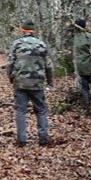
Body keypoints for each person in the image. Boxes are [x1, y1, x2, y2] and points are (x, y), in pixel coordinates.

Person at [7, 19, 54, 147]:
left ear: (23, 30)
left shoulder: (17, 44)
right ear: (33, 30)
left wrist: (11, 78)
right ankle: (43, 138)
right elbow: (49, 66)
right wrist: (50, 83)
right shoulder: (41, 44)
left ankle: (22, 140)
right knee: (41, 111)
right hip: (37, 83)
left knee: (20, 111)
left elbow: (10, 63)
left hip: (20, 83)